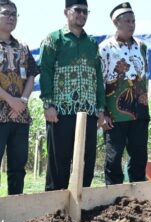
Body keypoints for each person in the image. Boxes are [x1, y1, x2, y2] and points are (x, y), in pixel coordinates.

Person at [39, 0, 105, 191]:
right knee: (58, 162)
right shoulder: (54, 39)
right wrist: (48, 104)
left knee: (87, 161)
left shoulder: (92, 43)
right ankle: (54, 210)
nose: (82, 15)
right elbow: (46, 71)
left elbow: (98, 77)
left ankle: (82, 205)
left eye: (86, 12)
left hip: (89, 113)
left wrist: (100, 110)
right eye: (78, 11)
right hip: (61, 111)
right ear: (66, 11)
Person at [99, 2, 149, 185]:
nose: (131, 24)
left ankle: (138, 200)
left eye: (133, 21)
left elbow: (145, 78)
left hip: (140, 112)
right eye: (127, 21)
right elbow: (100, 82)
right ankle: (113, 199)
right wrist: (102, 113)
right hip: (114, 114)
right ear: (116, 23)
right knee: (113, 158)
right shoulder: (105, 48)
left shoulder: (142, 46)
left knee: (139, 157)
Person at [0, 0, 39, 195]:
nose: (11, 17)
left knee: (18, 167)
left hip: (20, 117)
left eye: (14, 14)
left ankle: (16, 214)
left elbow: (32, 74)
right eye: (6, 13)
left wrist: (22, 102)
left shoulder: (22, 46)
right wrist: (10, 100)